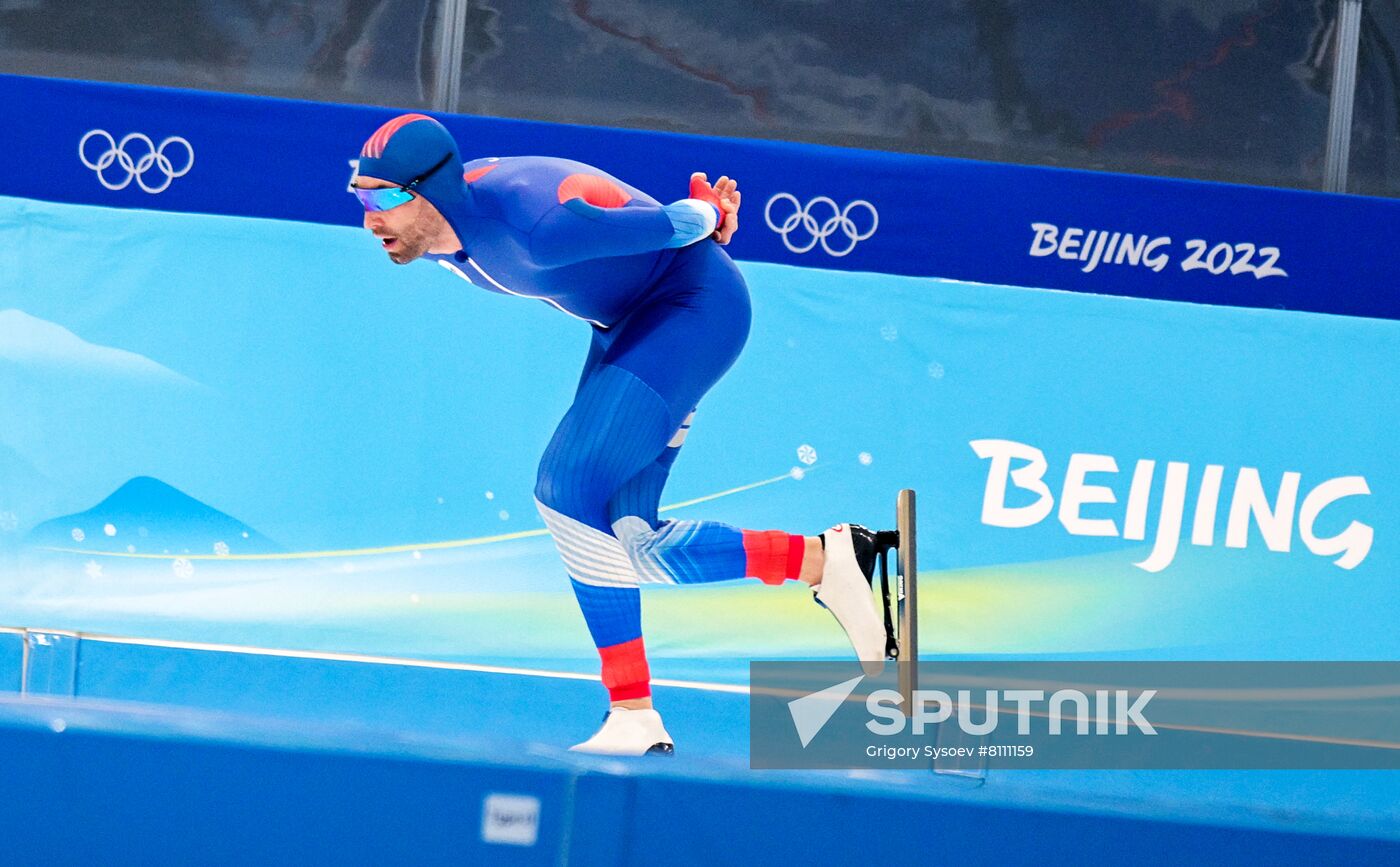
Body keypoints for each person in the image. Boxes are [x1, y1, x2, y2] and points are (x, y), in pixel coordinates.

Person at [351, 113, 896, 755]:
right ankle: (826, 561)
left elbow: (676, 224)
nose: (370, 217)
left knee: (567, 485)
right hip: (629, 326)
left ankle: (633, 714)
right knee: (631, 545)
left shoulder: (534, 225)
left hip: (694, 309)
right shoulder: (444, 232)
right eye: (362, 196)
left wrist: (709, 212)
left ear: (431, 190)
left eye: (385, 198)